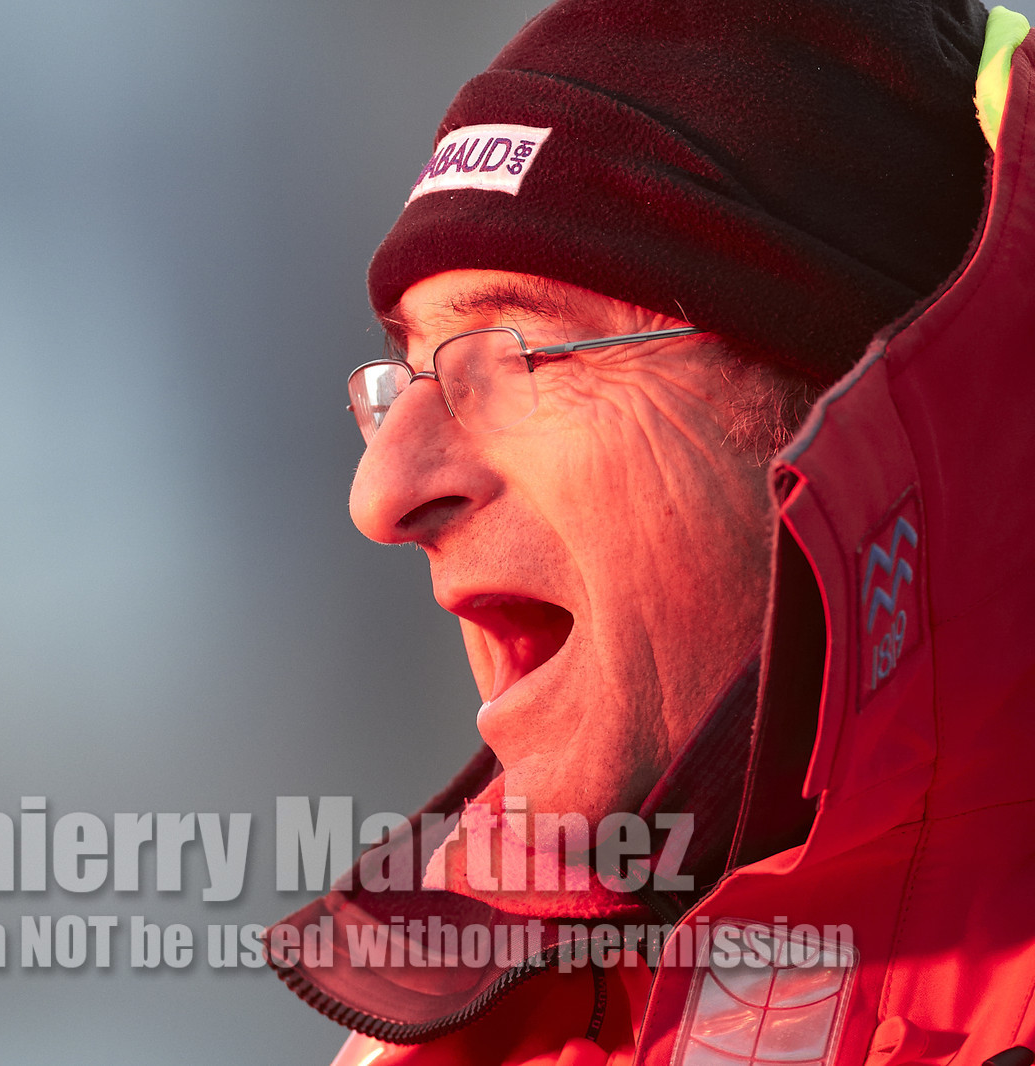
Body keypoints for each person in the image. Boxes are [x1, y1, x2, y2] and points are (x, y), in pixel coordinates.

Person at [268, 1, 1035, 1064]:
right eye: (403, 378)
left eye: (517, 350)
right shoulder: (439, 1030)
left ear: (856, 399)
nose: (381, 490)